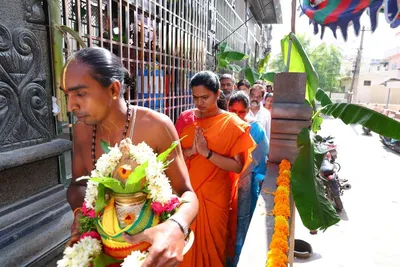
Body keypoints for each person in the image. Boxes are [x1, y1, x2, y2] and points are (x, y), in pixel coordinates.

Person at [61, 47, 198, 267]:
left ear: (114, 89)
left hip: (149, 256)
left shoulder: (155, 126)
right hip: (104, 253)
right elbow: (78, 184)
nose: (70, 105)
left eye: (80, 94)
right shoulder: (82, 130)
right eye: (67, 95)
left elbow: (187, 193)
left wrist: (176, 225)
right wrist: (81, 217)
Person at [175, 71, 255, 267]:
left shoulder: (232, 124)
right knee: (185, 246)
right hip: (187, 193)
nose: (199, 102)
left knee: (214, 247)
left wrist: (206, 153)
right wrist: (191, 150)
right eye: (195, 97)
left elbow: (237, 166)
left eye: (205, 97)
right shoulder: (186, 119)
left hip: (216, 197)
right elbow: (174, 157)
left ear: (217, 94)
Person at [228, 91, 269, 265]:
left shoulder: (256, 128)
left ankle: (238, 258)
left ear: (247, 111)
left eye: (241, 112)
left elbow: (261, 156)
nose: (237, 116)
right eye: (233, 111)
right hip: (225, 181)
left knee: (242, 219)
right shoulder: (223, 125)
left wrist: (246, 173)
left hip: (246, 181)